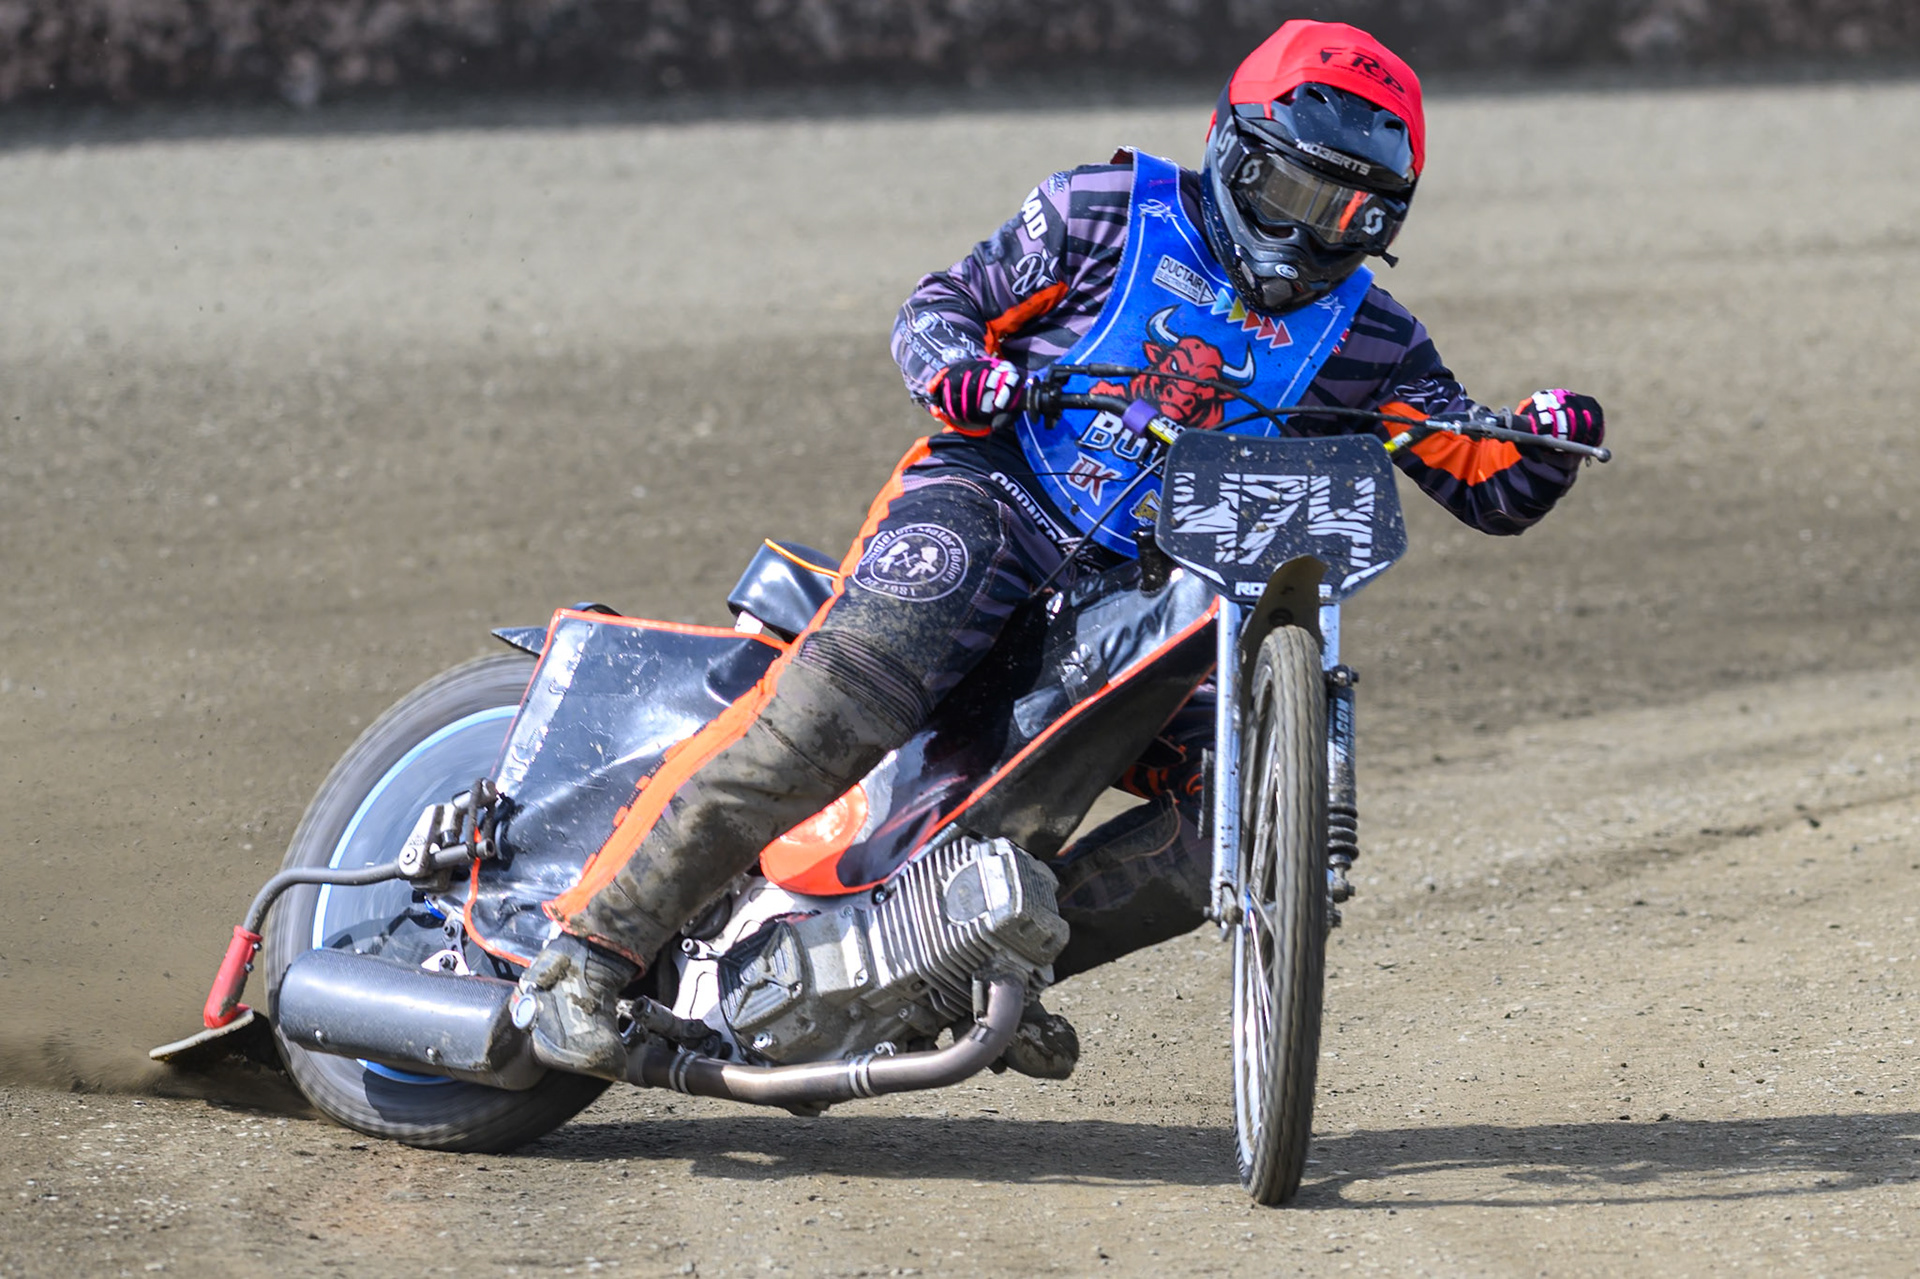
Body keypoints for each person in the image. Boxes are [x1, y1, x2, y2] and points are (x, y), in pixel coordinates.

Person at [517, 19, 1605, 1080]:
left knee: (1239, 812)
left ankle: (957, 970)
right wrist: (957, 369)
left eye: (1356, 218)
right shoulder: (1103, 211)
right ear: (1235, 148)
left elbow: (1487, 479)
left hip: (1144, 595)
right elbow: (940, 307)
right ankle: (589, 952)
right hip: (992, 504)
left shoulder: (1375, 340)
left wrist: (1550, 433)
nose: (1317, 237)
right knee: (829, 718)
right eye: (1296, 198)